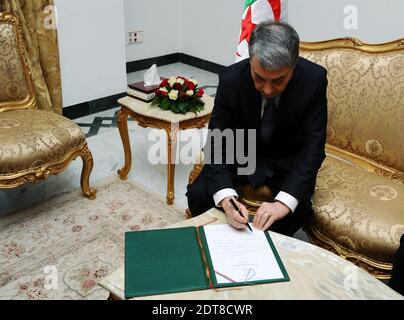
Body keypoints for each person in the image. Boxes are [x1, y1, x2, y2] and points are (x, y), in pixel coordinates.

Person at [186, 21, 328, 237]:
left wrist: (282, 204)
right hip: (241, 151)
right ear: (251, 61)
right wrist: (226, 198)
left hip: (285, 158)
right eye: (259, 78)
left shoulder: (314, 80)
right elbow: (217, 142)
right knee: (198, 196)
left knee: (294, 213)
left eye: (279, 81)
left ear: (294, 65)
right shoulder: (231, 79)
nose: (268, 89)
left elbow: (312, 148)